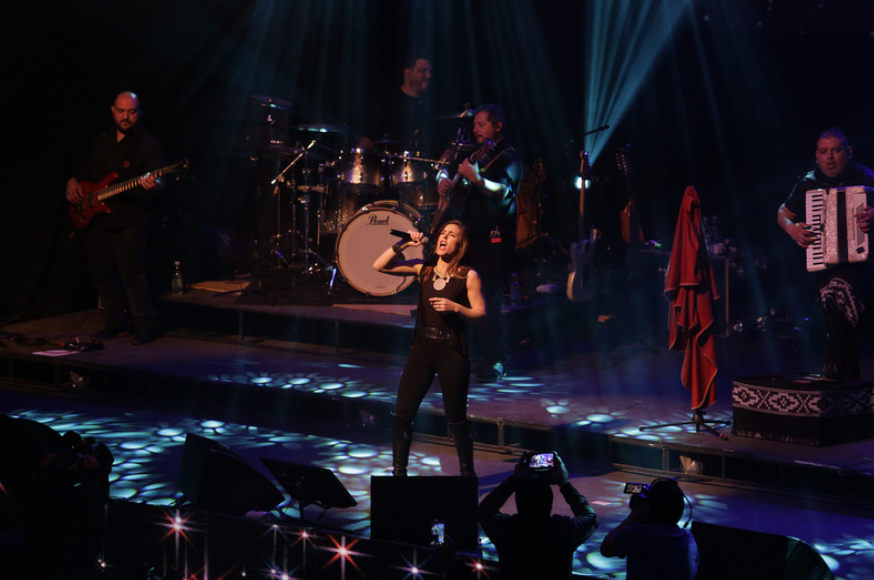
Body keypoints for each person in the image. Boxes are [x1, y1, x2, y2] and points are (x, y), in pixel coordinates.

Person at [373, 220, 487, 477]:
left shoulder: (468, 276)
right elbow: (379, 265)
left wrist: (456, 307)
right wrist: (403, 243)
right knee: (402, 413)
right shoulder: (423, 269)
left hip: (452, 351)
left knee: (455, 417)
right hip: (422, 349)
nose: (444, 237)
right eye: (443, 233)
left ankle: (467, 475)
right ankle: (399, 474)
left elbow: (481, 316)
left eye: (452, 234)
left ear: (461, 245)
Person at [65, 91, 167, 345]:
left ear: (139, 113)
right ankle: (115, 322)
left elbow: (160, 184)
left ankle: (145, 324)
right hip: (98, 219)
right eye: (121, 111)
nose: (125, 117)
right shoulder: (101, 141)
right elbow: (84, 170)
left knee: (132, 275)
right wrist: (72, 181)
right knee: (101, 273)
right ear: (112, 111)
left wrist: (154, 184)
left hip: (131, 220)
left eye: (131, 112)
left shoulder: (148, 145)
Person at [777, 127, 874, 380]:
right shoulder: (808, 184)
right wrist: (792, 229)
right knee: (835, 319)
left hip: (861, 266)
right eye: (824, 152)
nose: (829, 157)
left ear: (848, 152)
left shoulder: (867, 177)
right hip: (822, 264)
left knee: (838, 292)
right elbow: (783, 213)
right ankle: (847, 388)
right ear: (817, 156)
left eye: (836, 150)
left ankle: (831, 365)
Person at [436, 104, 522, 382]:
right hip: (466, 235)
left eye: (481, 124)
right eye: (474, 124)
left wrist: (477, 178)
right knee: (458, 295)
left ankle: (494, 360)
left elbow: (503, 192)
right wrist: (443, 180)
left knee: (488, 300)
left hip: (492, 237)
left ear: (497, 126)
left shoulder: (509, 157)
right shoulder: (471, 153)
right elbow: (444, 171)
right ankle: (463, 355)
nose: (475, 129)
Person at [477, 451, 599, 580]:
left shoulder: (506, 529)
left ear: (518, 502)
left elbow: (485, 510)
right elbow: (590, 517)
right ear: (549, 502)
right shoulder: (564, 531)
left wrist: (514, 480)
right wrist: (564, 485)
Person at [599, 477, 699, 580]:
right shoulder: (689, 540)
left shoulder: (638, 533)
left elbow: (606, 549)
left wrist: (635, 514)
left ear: (648, 508)